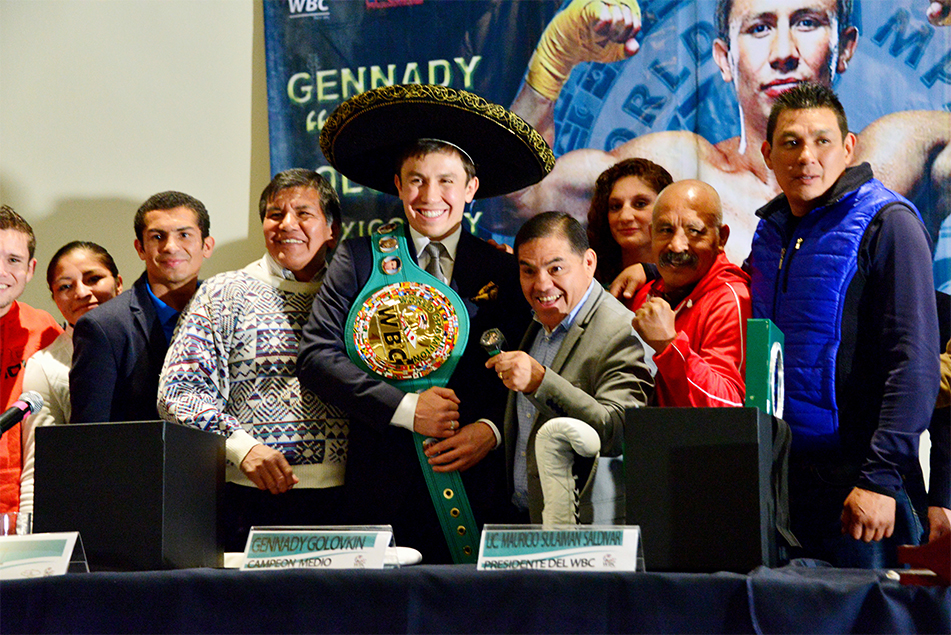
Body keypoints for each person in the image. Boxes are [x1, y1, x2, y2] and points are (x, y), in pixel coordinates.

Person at [298, 84, 551, 563]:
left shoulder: (504, 269)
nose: (430, 196)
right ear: (398, 185)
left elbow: (535, 361)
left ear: (471, 189)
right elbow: (315, 358)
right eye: (416, 180)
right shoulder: (358, 260)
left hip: (477, 482)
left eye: (446, 181)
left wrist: (491, 430)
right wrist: (406, 407)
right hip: (382, 484)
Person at [506, 0, 951, 266]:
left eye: (807, 22)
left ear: (846, 49)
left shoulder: (898, 153)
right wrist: (553, 62)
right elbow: (519, 200)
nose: (783, 52)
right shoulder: (682, 171)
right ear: (724, 59)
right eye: (759, 28)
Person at [747, 82, 939, 568]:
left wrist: (880, 480)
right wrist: (652, 271)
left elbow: (915, 364)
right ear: (768, 154)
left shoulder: (888, 223)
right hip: (784, 483)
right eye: (791, 142)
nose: (806, 156)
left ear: (848, 147)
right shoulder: (770, 232)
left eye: (822, 141)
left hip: (864, 487)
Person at [158, 170, 348, 551]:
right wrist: (241, 446)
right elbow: (177, 392)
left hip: (351, 500)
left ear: (332, 230)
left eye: (303, 213)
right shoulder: (224, 293)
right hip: (249, 501)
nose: (287, 224)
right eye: (275, 214)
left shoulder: (355, 296)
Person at [486, 211, 652, 523]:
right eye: (528, 271)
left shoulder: (623, 330)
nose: (541, 284)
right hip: (525, 520)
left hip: (589, 531)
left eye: (556, 268)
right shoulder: (536, 321)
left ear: (589, 262)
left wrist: (541, 382)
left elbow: (618, 432)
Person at [70, 191, 214, 423]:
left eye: (184, 235)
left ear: (206, 246)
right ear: (140, 248)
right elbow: (90, 432)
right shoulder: (103, 326)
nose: (170, 246)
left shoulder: (230, 312)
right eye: (157, 237)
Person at [18, 241, 123, 522]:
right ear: (54, 298)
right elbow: (40, 466)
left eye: (93, 279)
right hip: (92, 512)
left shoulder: (154, 341)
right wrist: (29, 531)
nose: (82, 292)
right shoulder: (45, 365)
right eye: (65, 286)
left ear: (118, 283)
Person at [630, 180, 750, 407]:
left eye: (694, 231)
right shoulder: (641, 293)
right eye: (665, 230)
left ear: (721, 238)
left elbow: (728, 406)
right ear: (651, 233)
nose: (677, 246)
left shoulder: (730, 299)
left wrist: (669, 345)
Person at [0, 206, 62, 514]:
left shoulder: (44, 328)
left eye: (13, 260)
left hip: (26, 504)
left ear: (30, 268)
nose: (2, 271)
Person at [587, 158, 672, 286]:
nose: (625, 217)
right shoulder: (588, 279)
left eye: (640, 204)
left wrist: (650, 271)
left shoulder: (690, 277)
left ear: (667, 208)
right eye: (616, 207)